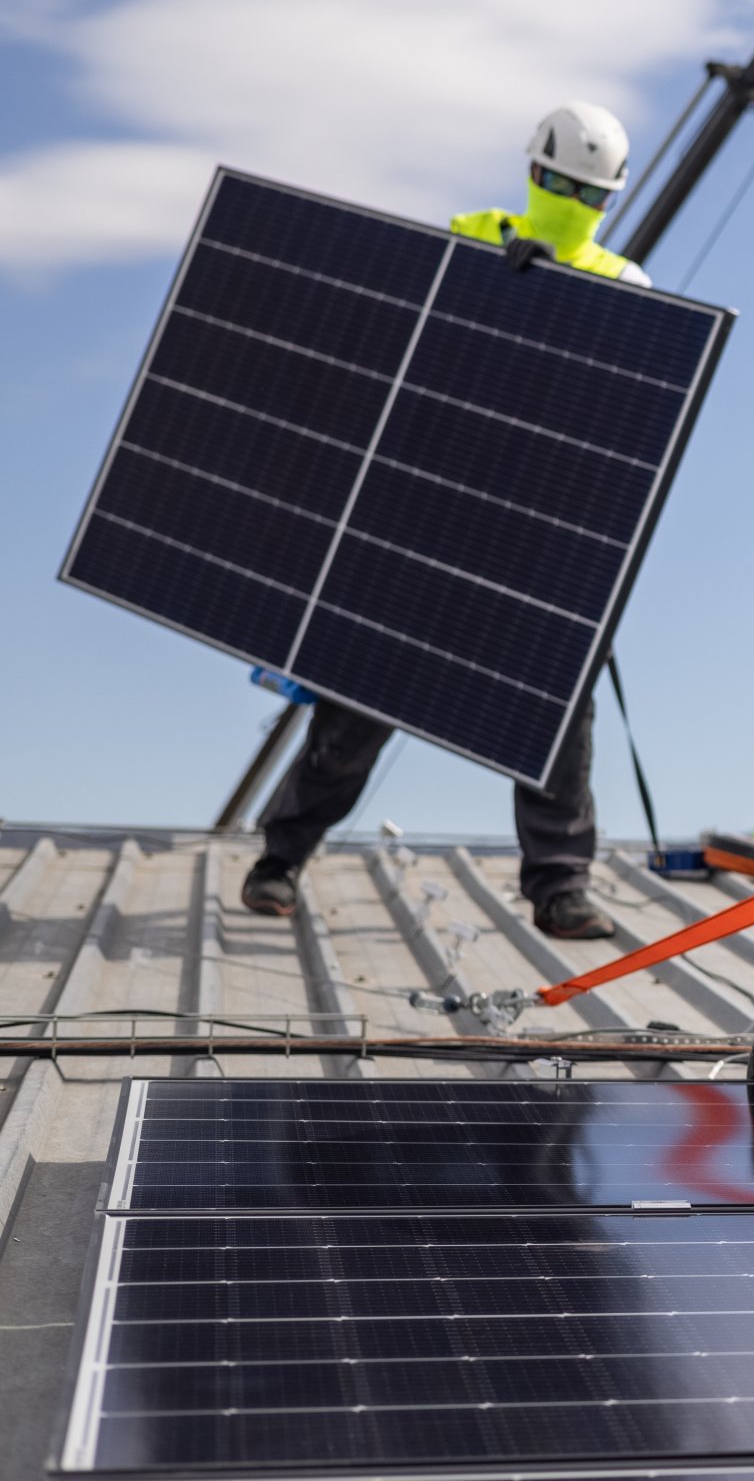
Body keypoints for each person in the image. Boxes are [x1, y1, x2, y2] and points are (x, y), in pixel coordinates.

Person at [239, 103, 648, 939]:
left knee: (556, 710)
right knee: (359, 698)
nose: (570, 201)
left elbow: (622, 412)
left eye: (586, 193)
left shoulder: (626, 287)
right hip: (431, 511)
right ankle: (279, 859)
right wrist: (497, 283)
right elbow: (419, 346)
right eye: (561, 184)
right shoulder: (472, 234)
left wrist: (559, 304)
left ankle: (561, 886)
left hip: (537, 531)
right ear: (533, 174)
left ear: (609, 202)